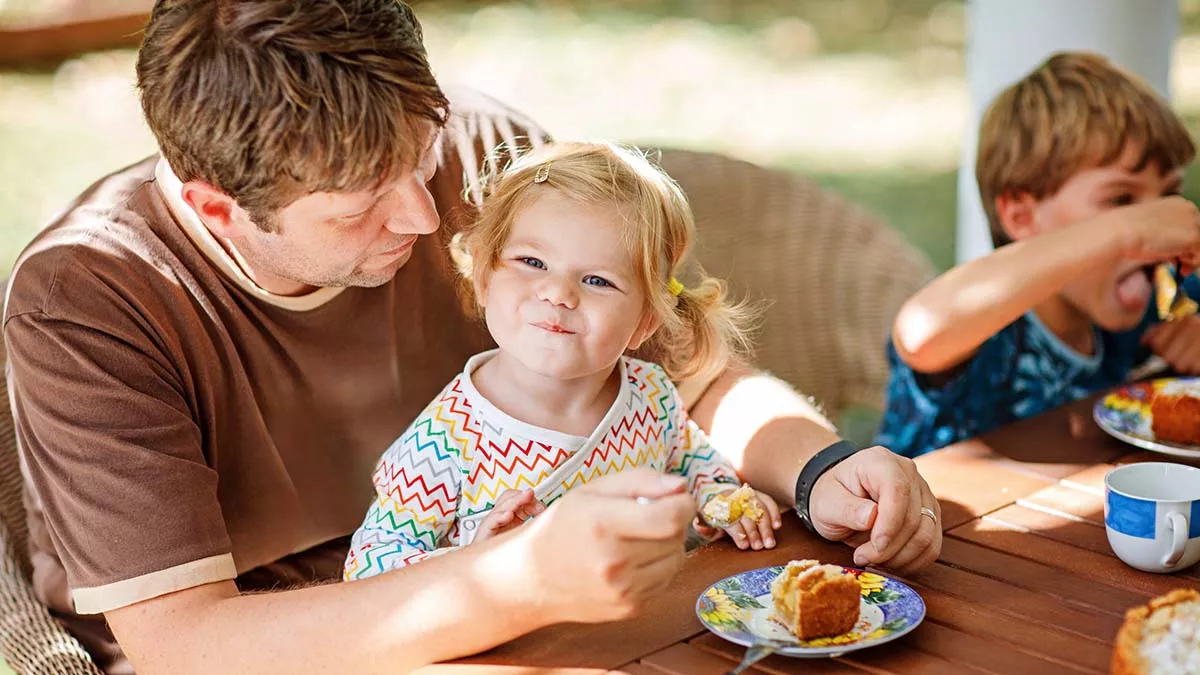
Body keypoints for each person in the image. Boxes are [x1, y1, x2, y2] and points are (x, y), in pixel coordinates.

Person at [3, 1, 942, 673]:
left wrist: (820, 467)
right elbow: (187, 643)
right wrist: (515, 582)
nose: (425, 214)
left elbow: (693, 375)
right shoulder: (87, 302)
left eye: (420, 156)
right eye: (366, 201)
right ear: (219, 207)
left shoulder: (484, 148)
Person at [345, 142, 778, 579]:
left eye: (597, 280)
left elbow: (693, 461)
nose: (557, 293)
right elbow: (368, 567)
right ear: (482, 279)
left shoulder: (650, 396)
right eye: (532, 261)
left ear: (645, 321)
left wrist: (722, 500)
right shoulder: (443, 439)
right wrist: (475, 562)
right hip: (508, 641)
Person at [876, 52, 1200, 458]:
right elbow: (921, 332)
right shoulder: (988, 322)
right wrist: (1126, 231)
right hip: (925, 517)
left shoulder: (1159, 296)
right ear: (1021, 216)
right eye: (1121, 199)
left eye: (1167, 195)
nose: (1155, 225)